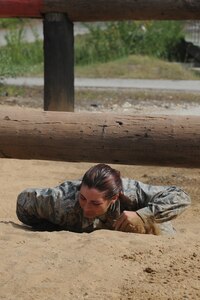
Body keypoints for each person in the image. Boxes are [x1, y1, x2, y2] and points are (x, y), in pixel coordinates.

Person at [16, 163, 191, 235]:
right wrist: (53, 225)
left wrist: (143, 215)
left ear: (114, 198)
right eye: (83, 198)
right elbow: (23, 203)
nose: (86, 207)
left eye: (95, 203)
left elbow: (181, 196)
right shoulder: (61, 199)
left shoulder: (132, 192)